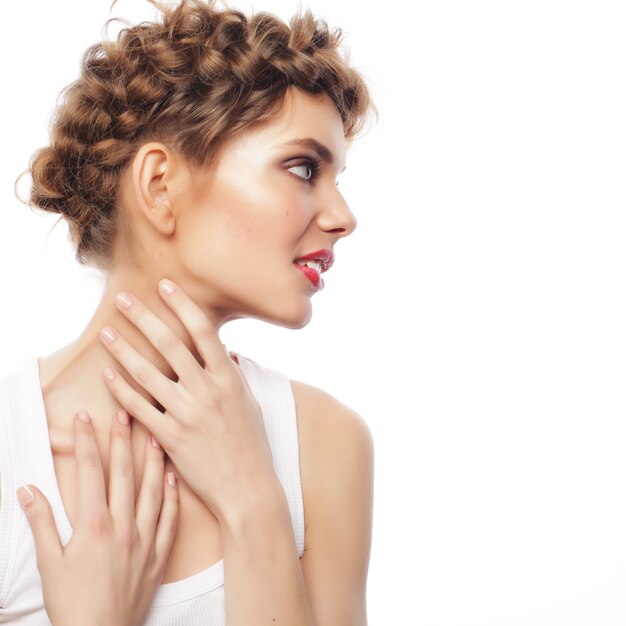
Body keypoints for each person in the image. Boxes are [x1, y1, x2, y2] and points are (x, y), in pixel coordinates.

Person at [0, 0, 375, 623]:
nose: (343, 217)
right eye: (303, 168)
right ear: (159, 186)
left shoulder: (326, 445)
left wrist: (254, 502)